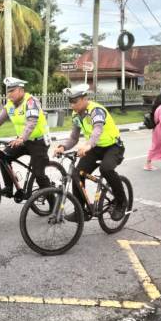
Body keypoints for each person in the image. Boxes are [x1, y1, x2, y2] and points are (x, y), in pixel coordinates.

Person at [54, 83, 127, 221]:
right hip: (95, 148)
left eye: (75, 102)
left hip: (113, 147)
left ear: (84, 99)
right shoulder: (76, 115)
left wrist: (88, 145)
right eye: (70, 102)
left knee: (106, 169)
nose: (72, 105)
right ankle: (81, 210)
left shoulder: (96, 111)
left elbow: (97, 130)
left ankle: (121, 202)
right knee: (76, 174)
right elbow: (74, 138)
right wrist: (63, 147)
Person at [0, 77, 51, 197]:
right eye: (8, 91)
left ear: (21, 90)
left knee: (39, 175)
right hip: (22, 141)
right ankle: (9, 187)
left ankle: (53, 205)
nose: (9, 94)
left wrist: (21, 138)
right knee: (4, 157)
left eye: (12, 91)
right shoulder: (10, 105)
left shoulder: (31, 102)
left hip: (39, 141)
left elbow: (31, 122)